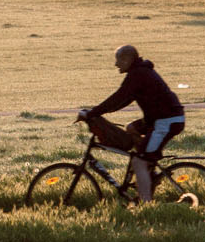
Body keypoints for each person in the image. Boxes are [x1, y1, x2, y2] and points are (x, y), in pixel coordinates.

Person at [78, 44, 186, 203]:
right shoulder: (139, 73)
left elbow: (117, 98)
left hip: (166, 122)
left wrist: (92, 113)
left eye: (118, 60)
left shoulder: (138, 74)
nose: (116, 64)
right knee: (131, 128)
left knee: (138, 162)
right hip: (159, 119)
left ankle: (146, 205)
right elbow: (122, 101)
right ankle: (149, 168)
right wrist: (96, 112)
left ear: (128, 59)